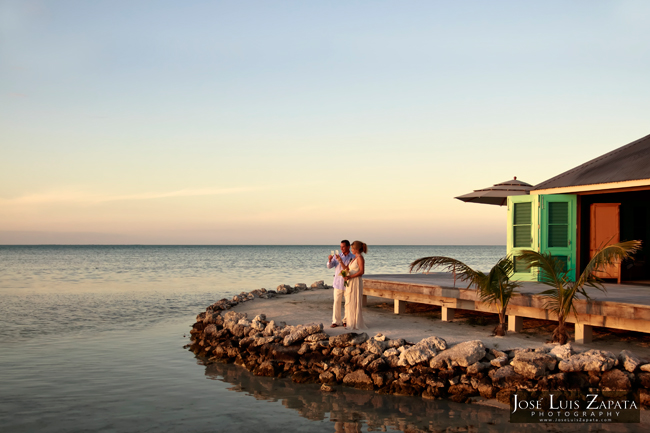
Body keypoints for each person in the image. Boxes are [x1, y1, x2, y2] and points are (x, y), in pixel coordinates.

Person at [327, 240, 355, 328]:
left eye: (343, 246)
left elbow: (351, 270)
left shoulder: (353, 257)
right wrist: (329, 260)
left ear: (348, 247)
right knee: (336, 302)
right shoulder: (337, 256)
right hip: (338, 283)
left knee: (348, 303)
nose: (341, 248)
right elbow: (329, 266)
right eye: (340, 247)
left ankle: (346, 320)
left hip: (348, 283)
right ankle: (336, 321)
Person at [341, 240, 367, 330]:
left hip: (355, 281)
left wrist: (350, 276)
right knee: (349, 300)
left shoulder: (360, 258)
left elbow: (361, 271)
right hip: (351, 282)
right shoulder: (354, 258)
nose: (351, 250)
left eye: (352, 248)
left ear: (356, 249)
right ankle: (350, 321)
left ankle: (355, 323)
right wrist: (340, 262)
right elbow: (347, 268)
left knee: (355, 300)